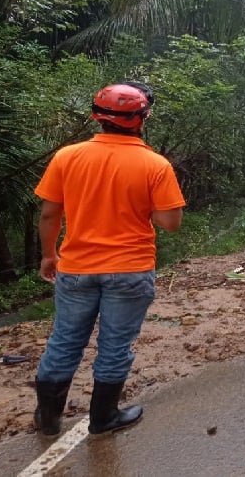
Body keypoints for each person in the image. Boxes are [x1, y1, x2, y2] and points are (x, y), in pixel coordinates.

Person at [32, 82, 186, 437]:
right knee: (115, 344)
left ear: (96, 117)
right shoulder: (155, 164)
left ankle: (48, 419)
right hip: (130, 270)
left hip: (75, 269)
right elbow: (170, 222)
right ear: (142, 119)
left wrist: (47, 255)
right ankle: (103, 419)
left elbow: (49, 215)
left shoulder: (67, 157)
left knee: (65, 340)